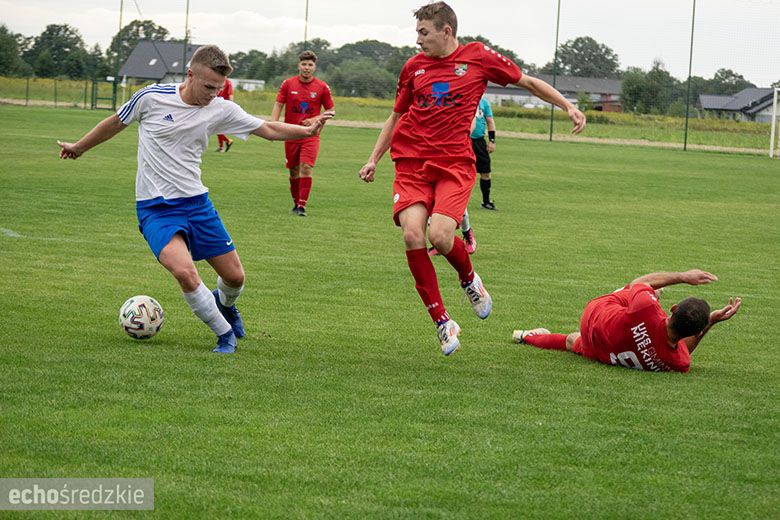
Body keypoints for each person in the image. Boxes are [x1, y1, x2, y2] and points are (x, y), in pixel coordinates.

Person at [58, 45, 333, 354]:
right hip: (155, 209)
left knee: (235, 278)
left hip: (197, 205)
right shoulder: (151, 98)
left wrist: (306, 130)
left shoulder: (221, 107)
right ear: (190, 75)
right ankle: (224, 334)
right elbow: (115, 123)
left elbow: (267, 128)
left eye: (218, 88)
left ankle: (225, 306)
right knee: (185, 272)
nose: (212, 94)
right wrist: (79, 147)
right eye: (208, 87)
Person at [358, 1, 586, 356]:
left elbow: (526, 82)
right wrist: (374, 158)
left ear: (446, 31)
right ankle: (443, 322)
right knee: (412, 234)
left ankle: (469, 280)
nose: (417, 40)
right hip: (412, 165)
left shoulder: (478, 57)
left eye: (423, 32)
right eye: (416, 32)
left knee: (440, 234)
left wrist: (567, 105)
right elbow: (396, 116)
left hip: (453, 165)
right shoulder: (413, 68)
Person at [512, 270, 742, 372]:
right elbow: (682, 349)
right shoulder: (678, 363)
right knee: (573, 341)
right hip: (601, 347)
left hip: (597, 313)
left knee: (648, 291)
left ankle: (526, 336)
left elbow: (640, 282)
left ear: (672, 309)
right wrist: (710, 321)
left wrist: (683, 277)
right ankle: (526, 336)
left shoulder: (648, 310)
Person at [271, 50, 335, 217]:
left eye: (310, 65)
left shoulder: (322, 87)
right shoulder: (288, 84)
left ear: (314, 67)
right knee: (293, 170)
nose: (307, 67)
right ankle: (295, 202)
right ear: (299, 66)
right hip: (290, 134)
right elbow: (278, 104)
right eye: (304, 64)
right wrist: (273, 125)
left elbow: (331, 110)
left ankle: (301, 206)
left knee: (306, 168)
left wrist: (315, 119)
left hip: (310, 135)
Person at [472, 95, 497, 210]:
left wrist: (492, 141)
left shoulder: (484, 103)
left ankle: (486, 202)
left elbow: (490, 121)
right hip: (462, 141)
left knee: (486, 172)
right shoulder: (462, 98)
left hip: (479, 142)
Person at [215, 78, 234, 152]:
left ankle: (224, 144)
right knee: (218, 128)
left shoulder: (228, 83)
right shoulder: (218, 81)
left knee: (217, 128)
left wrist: (231, 108)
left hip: (224, 108)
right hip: (218, 106)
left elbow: (230, 95)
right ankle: (223, 144)